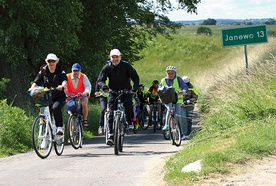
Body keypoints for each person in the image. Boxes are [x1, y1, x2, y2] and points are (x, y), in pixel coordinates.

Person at [97, 49, 140, 145]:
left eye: (117, 57)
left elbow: (135, 77)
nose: (115, 59)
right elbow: (100, 80)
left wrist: (135, 88)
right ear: (110, 58)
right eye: (113, 57)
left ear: (120, 57)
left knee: (127, 103)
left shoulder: (126, 66)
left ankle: (129, 121)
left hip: (126, 90)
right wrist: (103, 86)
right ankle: (111, 135)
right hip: (113, 92)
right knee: (111, 112)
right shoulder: (107, 67)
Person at [29, 53, 67, 135]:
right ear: (47, 62)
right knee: (44, 112)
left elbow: (64, 80)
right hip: (47, 96)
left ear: (56, 62)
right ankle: (45, 134)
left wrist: (62, 86)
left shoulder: (60, 70)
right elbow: (36, 81)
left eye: (53, 61)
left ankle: (59, 127)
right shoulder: (43, 70)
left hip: (59, 95)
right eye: (49, 61)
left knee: (55, 108)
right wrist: (32, 88)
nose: (51, 63)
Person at [159, 66, 188, 140]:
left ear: (175, 73)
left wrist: (184, 91)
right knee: (170, 109)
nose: (170, 75)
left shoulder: (178, 79)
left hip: (177, 99)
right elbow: (159, 89)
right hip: (167, 99)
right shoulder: (163, 80)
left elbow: (184, 86)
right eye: (168, 73)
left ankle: (179, 129)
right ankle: (166, 125)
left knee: (178, 115)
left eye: (172, 73)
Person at [66, 63, 92, 127]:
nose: (75, 72)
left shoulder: (84, 76)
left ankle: (85, 120)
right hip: (70, 96)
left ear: (80, 71)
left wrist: (85, 92)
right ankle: (71, 132)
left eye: (77, 71)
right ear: (71, 70)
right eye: (74, 71)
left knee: (84, 103)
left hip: (81, 95)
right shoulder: (67, 76)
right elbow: (64, 86)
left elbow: (88, 86)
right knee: (71, 109)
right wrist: (66, 93)